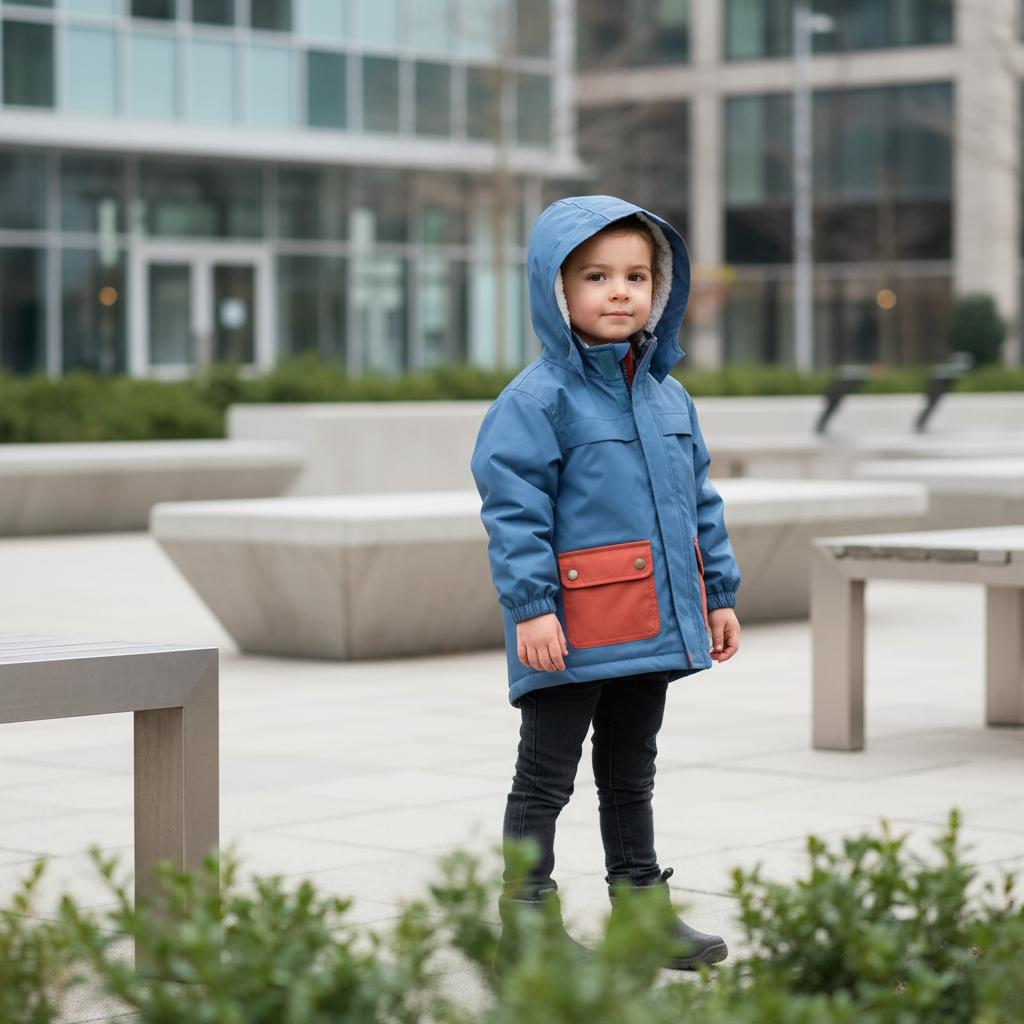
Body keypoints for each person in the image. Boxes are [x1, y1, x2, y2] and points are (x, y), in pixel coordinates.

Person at [470, 195, 741, 971]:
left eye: (636, 275)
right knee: (543, 779)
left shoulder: (667, 395)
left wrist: (718, 593)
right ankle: (525, 926)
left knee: (631, 773)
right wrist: (530, 609)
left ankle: (641, 913)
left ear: (661, 288)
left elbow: (699, 504)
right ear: (557, 291)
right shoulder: (536, 401)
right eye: (596, 276)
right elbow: (513, 511)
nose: (619, 291)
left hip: (650, 622)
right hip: (571, 626)